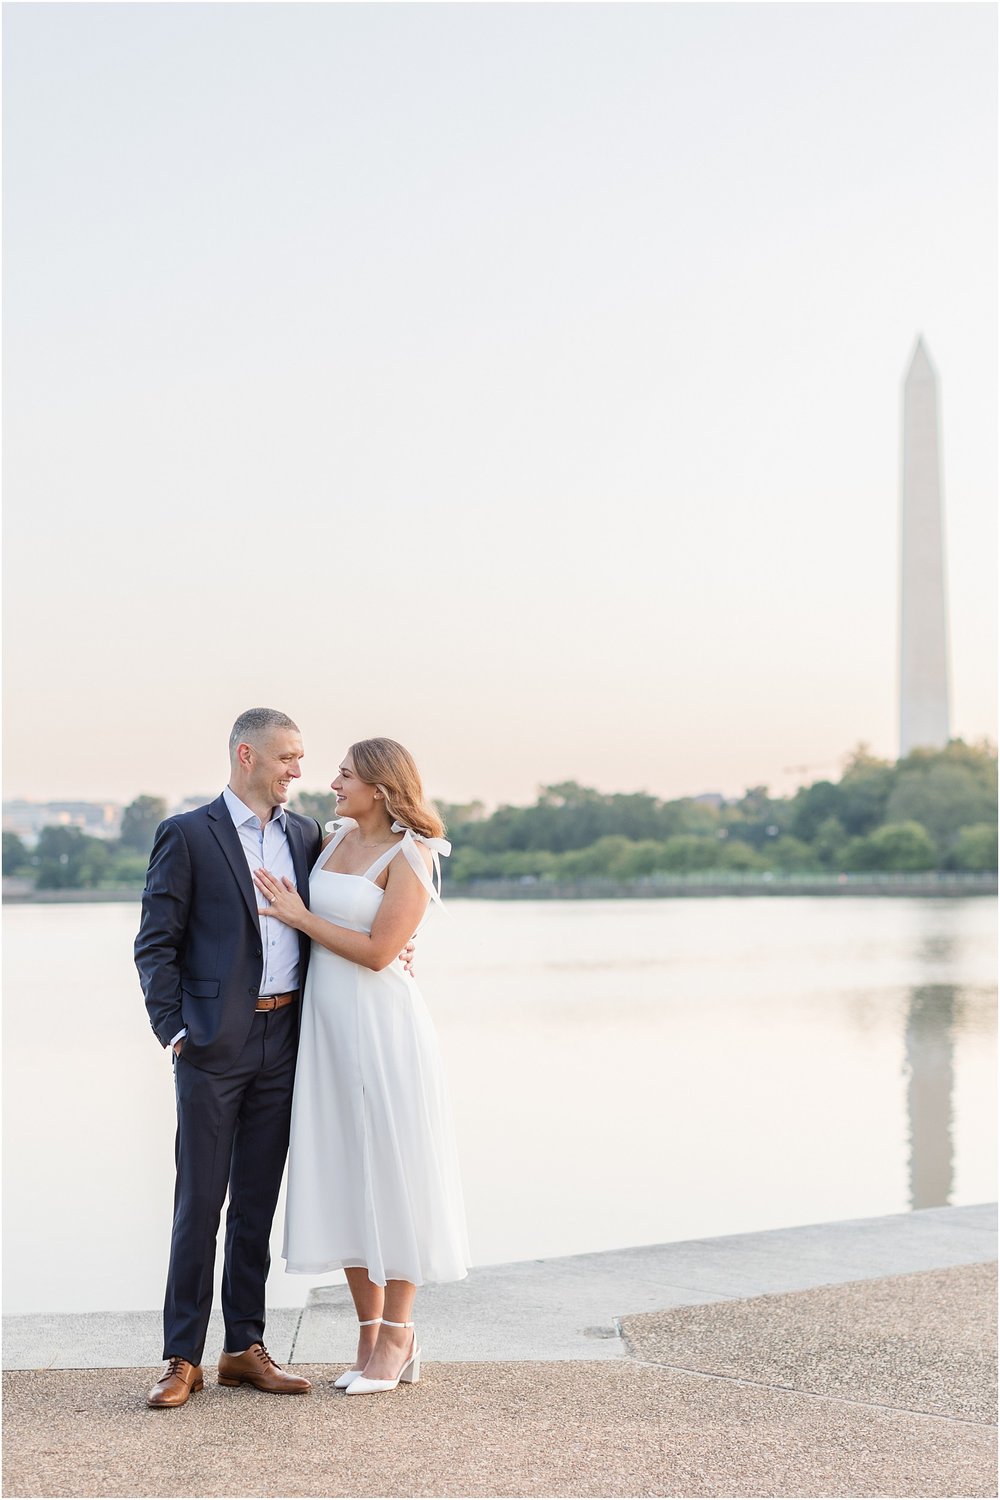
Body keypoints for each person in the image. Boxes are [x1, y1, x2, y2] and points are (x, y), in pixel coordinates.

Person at [135, 710, 414, 1409]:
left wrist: (401, 949)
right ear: (245, 755)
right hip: (212, 1043)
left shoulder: (307, 836)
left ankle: (244, 1350)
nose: (299, 771)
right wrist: (174, 1029)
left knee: (258, 1202)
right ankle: (179, 1359)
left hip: (288, 1041)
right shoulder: (188, 835)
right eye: (287, 757)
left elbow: (350, 918)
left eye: (303, 758)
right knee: (200, 1202)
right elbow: (155, 943)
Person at [252, 737, 469, 1396]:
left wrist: (298, 915)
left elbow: (380, 953)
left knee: (394, 1177)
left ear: (380, 785)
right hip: (327, 1030)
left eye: (344, 775)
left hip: (383, 1031)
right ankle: (369, 1334)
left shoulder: (414, 853)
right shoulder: (331, 839)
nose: (333, 784)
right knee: (346, 1172)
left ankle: (399, 1337)